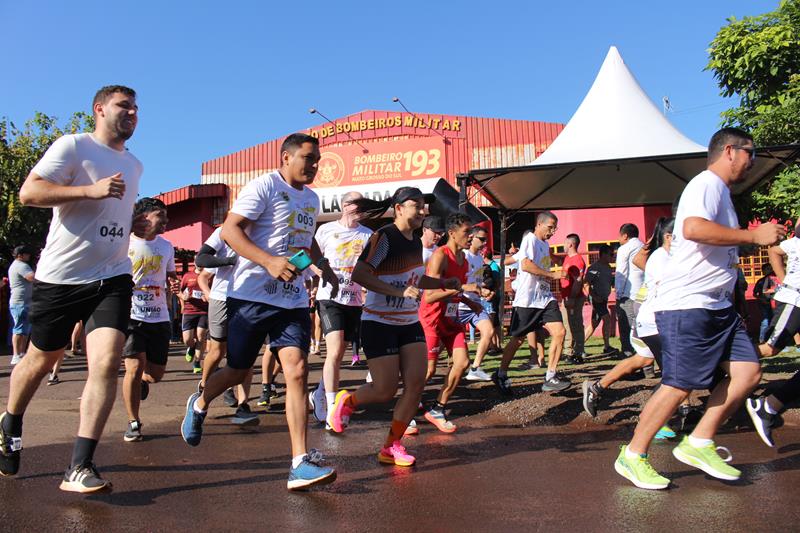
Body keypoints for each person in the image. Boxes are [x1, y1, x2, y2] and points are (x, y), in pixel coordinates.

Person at [614, 127, 785, 490]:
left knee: (748, 372)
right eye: (749, 153)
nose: (752, 160)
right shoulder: (705, 184)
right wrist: (753, 236)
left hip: (717, 306)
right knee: (679, 384)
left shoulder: (721, 193)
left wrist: (746, 246)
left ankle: (698, 441)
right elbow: (691, 228)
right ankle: (632, 455)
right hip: (687, 305)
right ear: (729, 151)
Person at [1, 85, 145, 493]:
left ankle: (80, 467)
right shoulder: (73, 146)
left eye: (136, 107)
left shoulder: (134, 165)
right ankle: (11, 419)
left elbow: (113, 213)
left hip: (113, 276)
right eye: (124, 106)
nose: (132, 112)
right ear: (100, 109)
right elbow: (29, 193)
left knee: (105, 364)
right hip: (61, 278)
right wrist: (89, 190)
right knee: (41, 360)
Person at [180, 133, 339, 491]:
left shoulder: (311, 198)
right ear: (285, 157)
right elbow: (230, 230)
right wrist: (268, 261)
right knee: (237, 370)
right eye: (308, 158)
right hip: (250, 296)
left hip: (291, 299)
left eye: (317, 160)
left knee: (297, 370)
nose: (314, 165)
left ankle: (299, 462)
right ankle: (201, 401)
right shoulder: (264, 186)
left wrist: (321, 265)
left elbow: (306, 236)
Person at [327, 187, 460, 467]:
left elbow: (414, 279)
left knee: (415, 385)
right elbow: (361, 274)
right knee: (385, 390)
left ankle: (391, 446)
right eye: (417, 205)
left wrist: (442, 283)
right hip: (378, 322)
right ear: (399, 208)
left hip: (409, 323)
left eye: (424, 206)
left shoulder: (415, 242)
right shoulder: (385, 237)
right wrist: (398, 293)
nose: (423, 211)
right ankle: (347, 401)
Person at [583, 218, 674, 426]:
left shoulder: (650, 252)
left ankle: (597, 387)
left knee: (645, 359)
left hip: (646, 310)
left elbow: (634, 265)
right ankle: (657, 420)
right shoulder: (658, 256)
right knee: (673, 371)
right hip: (652, 315)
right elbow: (629, 269)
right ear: (668, 236)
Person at [307, 192, 372, 428]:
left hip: (354, 300)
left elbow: (371, 267)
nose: (361, 208)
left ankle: (320, 392)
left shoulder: (368, 235)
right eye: (357, 203)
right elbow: (311, 257)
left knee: (341, 351)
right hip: (329, 297)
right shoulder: (325, 230)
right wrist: (322, 274)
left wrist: (367, 288)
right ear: (345, 206)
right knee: (334, 351)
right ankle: (333, 406)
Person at [420, 213, 487, 432]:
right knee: (429, 370)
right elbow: (429, 295)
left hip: (451, 318)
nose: (471, 236)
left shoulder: (464, 260)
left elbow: (457, 290)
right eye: (466, 232)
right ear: (451, 233)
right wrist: (462, 289)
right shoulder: (440, 256)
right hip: (432, 318)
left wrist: (470, 301)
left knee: (462, 363)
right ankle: (408, 408)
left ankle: (437, 409)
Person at [121, 198, 180, 442]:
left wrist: (173, 284)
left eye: (166, 215)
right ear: (144, 217)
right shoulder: (124, 243)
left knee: (155, 374)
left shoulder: (166, 246)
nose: (165, 220)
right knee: (133, 368)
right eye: (160, 215)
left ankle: (143, 382)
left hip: (159, 316)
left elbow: (170, 275)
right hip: (131, 315)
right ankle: (133, 421)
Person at [492, 212, 570, 395]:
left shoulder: (544, 244)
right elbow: (525, 265)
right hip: (528, 299)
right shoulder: (530, 239)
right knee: (518, 339)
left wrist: (559, 261)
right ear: (539, 224)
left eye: (555, 228)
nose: (553, 231)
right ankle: (501, 373)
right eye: (550, 227)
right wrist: (552, 275)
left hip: (544, 298)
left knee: (560, 332)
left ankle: (550, 376)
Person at [195, 228, 258, 426]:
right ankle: (204, 387)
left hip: (249, 299)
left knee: (244, 355)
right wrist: (230, 262)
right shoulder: (224, 232)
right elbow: (202, 265)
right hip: (221, 298)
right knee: (217, 351)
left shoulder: (264, 229)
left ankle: (243, 405)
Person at [746, 218, 800, 447]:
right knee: (770, 349)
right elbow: (774, 250)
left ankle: (768, 407)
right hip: (794, 301)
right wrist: (785, 279)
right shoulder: (796, 242)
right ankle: (719, 360)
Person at [459, 226, 496, 382]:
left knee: (489, 331)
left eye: (485, 240)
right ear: (471, 237)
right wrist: (479, 290)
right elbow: (459, 283)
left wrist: (486, 291)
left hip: (475, 304)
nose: (484, 243)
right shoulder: (463, 256)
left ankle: (475, 369)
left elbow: (477, 282)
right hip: (459, 305)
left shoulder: (479, 259)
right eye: (481, 239)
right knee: (442, 346)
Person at [615, 223, 645, 357]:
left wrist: (618, 293)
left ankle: (629, 355)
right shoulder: (644, 246)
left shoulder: (624, 248)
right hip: (644, 293)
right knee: (640, 327)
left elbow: (621, 272)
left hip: (628, 294)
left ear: (625, 236)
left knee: (627, 327)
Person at [583, 245, 616, 356]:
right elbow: (586, 283)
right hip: (597, 299)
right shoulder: (594, 268)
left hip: (604, 299)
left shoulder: (608, 267)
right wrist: (593, 296)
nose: (613, 257)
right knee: (607, 319)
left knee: (593, 325)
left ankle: (577, 347)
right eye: (611, 254)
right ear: (604, 254)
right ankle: (607, 347)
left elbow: (610, 281)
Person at [561, 234, 587, 364]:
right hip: (567, 297)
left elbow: (578, 281)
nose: (563, 245)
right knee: (568, 324)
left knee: (574, 324)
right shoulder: (568, 258)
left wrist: (571, 298)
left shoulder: (577, 260)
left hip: (573, 298)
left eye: (565, 243)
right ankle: (569, 351)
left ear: (570, 244)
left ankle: (576, 352)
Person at [8, 246, 35, 366]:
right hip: (20, 302)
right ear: (20, 255)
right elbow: (32, 277)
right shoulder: (21, 266)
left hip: (22, 302)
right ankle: (16, 354)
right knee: (19, 329)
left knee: (24, 329)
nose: (29, 256)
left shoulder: (16, 265)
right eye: (27, 254)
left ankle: (21, 353)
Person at [180, 265, 209, 374]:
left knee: (201, 337)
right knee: (187, 339)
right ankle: (191, 347)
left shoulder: (209, 275)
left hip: (204, 311)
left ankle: (197, 362)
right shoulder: (188, 276)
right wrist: (183, 298)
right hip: (189, 311)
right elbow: (179, 290)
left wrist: (208, 296)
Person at [752, 262, 777, 343]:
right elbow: (754, 293)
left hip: (774, 304)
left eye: (770, 268)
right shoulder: (761, 281)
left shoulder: (775, 280)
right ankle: (762, 340)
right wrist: (761, 299)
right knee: (765, 322)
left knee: (774, 322)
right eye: (767, 269)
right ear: (763, 271)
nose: (770, 270)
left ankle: (773, 340)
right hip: (764, 304)